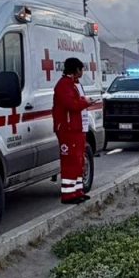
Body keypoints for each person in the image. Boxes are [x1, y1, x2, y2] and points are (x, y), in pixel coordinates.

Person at [53, 57, 91, 204]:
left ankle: (78, 191)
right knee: (70, 161)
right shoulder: (64, 85)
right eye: (81, 69)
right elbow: (71, 104)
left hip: (77, 128)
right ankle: (68, 194)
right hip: (68, 129)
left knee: (78, 160)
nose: (82, 72)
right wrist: (85, 102)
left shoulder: (74, 84)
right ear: (76, 70)